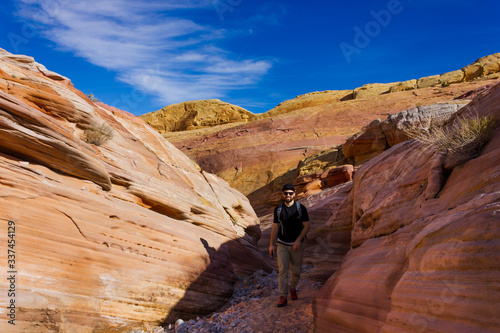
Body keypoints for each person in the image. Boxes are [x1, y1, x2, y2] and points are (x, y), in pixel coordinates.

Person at [269, 183, 310, 307]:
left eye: (290, 193)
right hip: (282, 243)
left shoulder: (301, 208)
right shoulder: (278, 209)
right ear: (282, 194)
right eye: (285, 193)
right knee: (282, 270)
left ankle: (293, 288)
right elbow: (275, 227)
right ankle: (283, 296)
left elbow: (307, 226)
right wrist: (271, 244)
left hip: (297, 244)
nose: (288, 195)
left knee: (296, 270)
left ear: (294, 194)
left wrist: (298, 240)